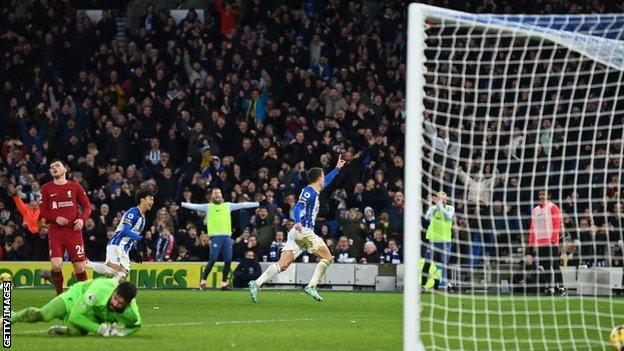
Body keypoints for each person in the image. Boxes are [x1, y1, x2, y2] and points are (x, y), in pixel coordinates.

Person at [249, 155, 346, 302]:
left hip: (296, 234)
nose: (324, 178)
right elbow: (298, 206)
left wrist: (337, 169)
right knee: (328, 258)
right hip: (304, 231)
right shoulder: (309, 192)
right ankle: (311, 286)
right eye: (323, 176)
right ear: (319, 178)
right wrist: (298, 221)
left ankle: (256, 283)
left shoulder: (315, 190)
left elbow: (328, 181)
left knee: (283, 264)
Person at [180, 188, 259, 290]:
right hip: (216, 237)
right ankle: (203, 281)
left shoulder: (228, 206)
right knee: (213, 259)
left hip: (226, 237)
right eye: (215, 193)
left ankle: (223, 284)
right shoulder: (208, 207)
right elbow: (195, 206)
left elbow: (243, 204)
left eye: (219, 192)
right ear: (212, 196)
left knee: (228, 260)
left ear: (221, 195)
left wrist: (257, 203)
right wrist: (182, 204)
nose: (217, 194)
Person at [9, 278, 141, 337]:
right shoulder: (99, 290)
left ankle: (61, 330)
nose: (115, 304)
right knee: (44, 315)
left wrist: (122, 333)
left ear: (128, 304)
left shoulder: (131, 312)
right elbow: (75, 315)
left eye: (120, 304)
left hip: (94, 313)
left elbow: (137, 325)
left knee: (77, 334)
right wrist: (100, 329)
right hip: (77, 295)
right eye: (115, 298)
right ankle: (11, 317)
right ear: (114, 291)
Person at [39, 160, 93, 295]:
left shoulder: (75, 187)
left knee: (79, 267)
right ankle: (59, 296)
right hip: (56, 232)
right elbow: (43, 212)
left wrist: (82, 219)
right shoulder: (46, 188)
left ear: (65, 169)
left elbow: (87, 206)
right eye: (51, 167)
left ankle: (84, 296)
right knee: (56, 265)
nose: (54, 168)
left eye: (57, 165)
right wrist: (54, 218)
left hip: (74, 232)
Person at [86, 189, 154, 281]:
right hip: (117, 244)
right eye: (150, 199)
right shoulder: (133, 212)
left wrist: (134, 251)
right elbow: (125, 231)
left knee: (122, 274)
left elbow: (131, 236)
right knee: (112, 271)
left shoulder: (143, 218)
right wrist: (141, 239)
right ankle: (87, 264)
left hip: (125, 248)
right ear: (142, 200)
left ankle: (111, 292)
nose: (152, 202)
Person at [529, 189, 565, 296]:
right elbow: (532, 227)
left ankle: (561, 287)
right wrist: (531, 242)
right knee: (545, 266)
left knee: (554, 265)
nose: (541, 196)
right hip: (540, 243)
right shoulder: (535, 210)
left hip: (551, 242)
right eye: (540, 194)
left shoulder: (553, 207)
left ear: (548, 195)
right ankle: (551, 288)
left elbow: (556, 224)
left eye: (543, 194)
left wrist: (554, 240)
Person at [424, 191, 454, 289]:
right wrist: (437, 206)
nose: (444, 200)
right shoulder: (433, 208)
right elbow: (427, 217)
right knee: (427, 262)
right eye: (441, 199)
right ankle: (423, 285)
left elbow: (448, 216)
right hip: (433, 241)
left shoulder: (450, 208)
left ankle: (449, 284)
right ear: (438, 199)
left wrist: (439, 205)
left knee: (445, 262)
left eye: (445, 198)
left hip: (445, 242)